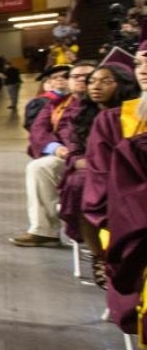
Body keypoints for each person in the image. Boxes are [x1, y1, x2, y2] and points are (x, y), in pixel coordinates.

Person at [57, 56, 140, 283]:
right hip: (93, 176)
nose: (95, 86)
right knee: (81, 187)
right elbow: (73, 149)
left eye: (105, 81)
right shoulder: (81, 114)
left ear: (123, 83)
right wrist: (80, 161)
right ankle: (100, 256)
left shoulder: (135, 113)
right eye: (92, 81)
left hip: (131, 176)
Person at [85, 40, 147, 340]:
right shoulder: (114, 120)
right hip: (133, 220)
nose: (144, 70)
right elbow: (102, 183)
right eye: (138, 63)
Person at [12, 61, 95, 247]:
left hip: (101, 160)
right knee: (39, 167)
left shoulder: (110, 102)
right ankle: (44, 230)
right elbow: (38, 130)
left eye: (87, 77)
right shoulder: (57, 105)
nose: (81, 80)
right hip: (67, 157)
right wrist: (55, 147)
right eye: (75, 77)